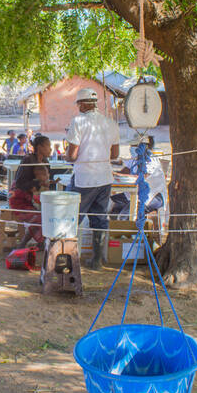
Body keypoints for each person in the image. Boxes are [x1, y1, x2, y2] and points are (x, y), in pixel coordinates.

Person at [65, 88, 120, 270]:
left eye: (79, 103)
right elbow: (115, 154)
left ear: (84, 103)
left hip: (85, 178)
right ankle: (96, 260)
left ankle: (68, 258)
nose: (78, 107)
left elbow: (72, 155)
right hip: (104, 177)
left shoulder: (78, 122)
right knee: (99, 218)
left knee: (73, 218)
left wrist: (67, 157)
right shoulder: (110, 123)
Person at [9, 135, 52, 249]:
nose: (50, 149)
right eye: (48, 146)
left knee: (49, 215)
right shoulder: (28, 160)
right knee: (40, 217)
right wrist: (37, 184)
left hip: (35, 198)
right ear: (39, 147)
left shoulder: (46, 161)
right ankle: (23, 244)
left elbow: (46, 181)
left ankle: (41, 241)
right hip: (19, 198)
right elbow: (19, 184)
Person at [111, 138, 167, 219]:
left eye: (133, 146)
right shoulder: (134, 159)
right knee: (112, 206)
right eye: (131, 146)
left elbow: (144, 175)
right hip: (132, 195)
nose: (131, 148)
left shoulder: (150, 159)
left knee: (125, 215)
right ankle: (112, 228)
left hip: (152, 197)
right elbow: (123, 171)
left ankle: (126, 229)